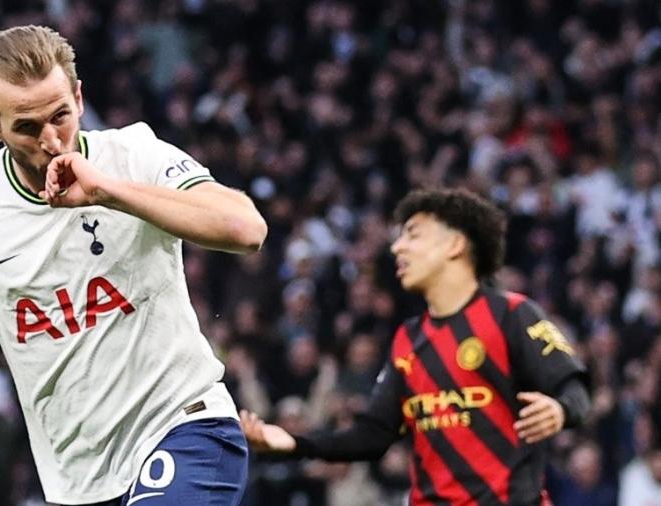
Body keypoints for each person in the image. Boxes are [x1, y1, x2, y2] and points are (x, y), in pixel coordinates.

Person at [0, 25, 267, 506]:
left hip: (184, 423)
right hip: (75, 479)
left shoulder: (134, 156)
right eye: (28, 127)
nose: (52, 140)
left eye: (60, 115)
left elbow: (246, 229)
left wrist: (107, 191)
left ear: (79, 98)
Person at [240, 188, 590, 505]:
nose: (397, 247)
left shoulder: (512, 315)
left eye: (413, 235)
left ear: (455, 245)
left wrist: (560, 410)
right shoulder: (409, 338)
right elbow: (374, 434)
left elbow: (573, 386)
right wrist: (296, 442)